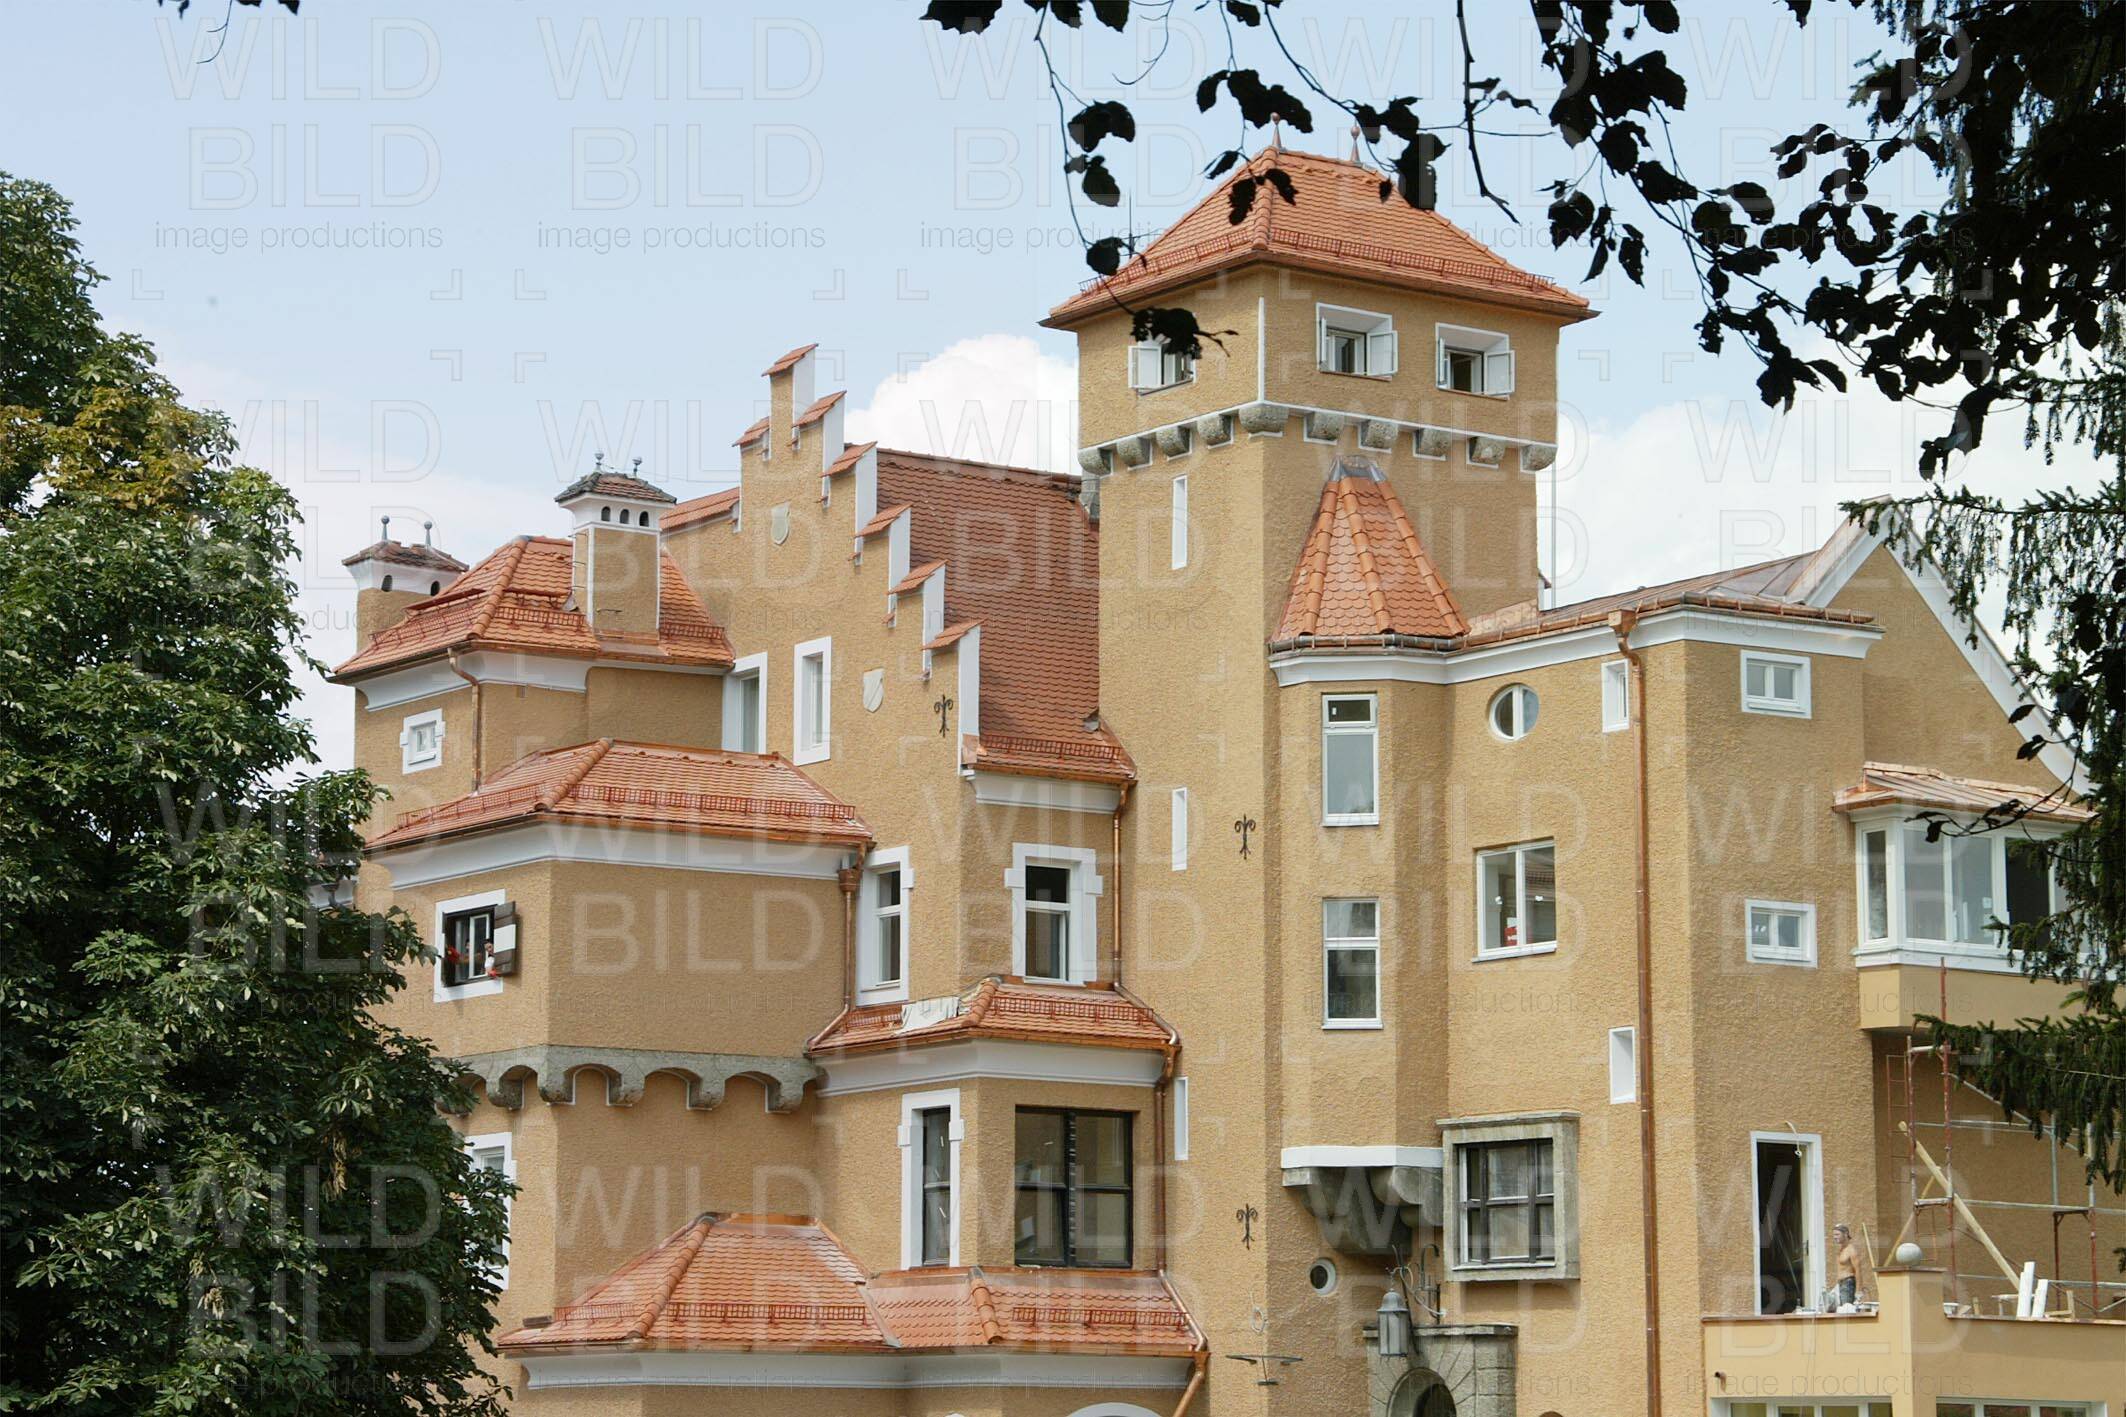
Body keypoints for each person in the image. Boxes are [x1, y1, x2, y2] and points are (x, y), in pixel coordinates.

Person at [1832, 1223, 1862, 1308]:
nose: (1835, 1237)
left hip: (1848, 1284)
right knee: (1839, 1309)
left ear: (1845, 1234)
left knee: (1846, 1310)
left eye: (1837, 1234)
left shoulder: (1851, 1250)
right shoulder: (1841, 1250)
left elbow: (1858, 1270)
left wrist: (1858, 1291)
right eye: (1834, 1235)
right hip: (1841, 1284)